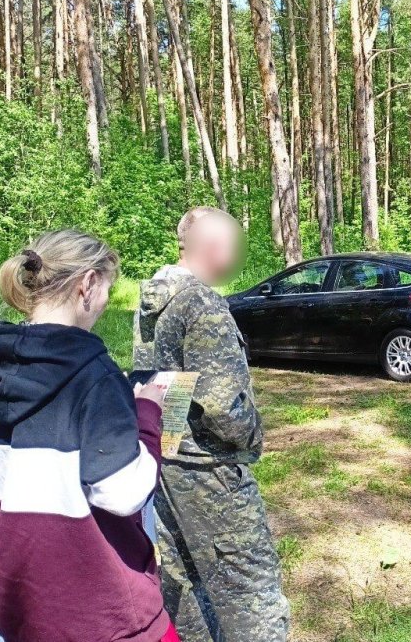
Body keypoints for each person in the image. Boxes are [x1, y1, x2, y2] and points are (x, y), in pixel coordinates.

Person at [0, 230, 180, 642]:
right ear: (88, 284)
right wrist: (147, 412)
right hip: (107, 614)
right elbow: (124, 492)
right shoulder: (95, 374)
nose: (107, 300)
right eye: (108, 288)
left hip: (23, 608)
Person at [134, 207, 290, 642]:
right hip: (211, 473)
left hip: (164, 462)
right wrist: (253, 436)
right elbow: (223, 408)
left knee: (186, 584)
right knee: (251, 593)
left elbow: (164, 382)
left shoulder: (153, 297)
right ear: (217, 248)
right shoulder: (202, 303)